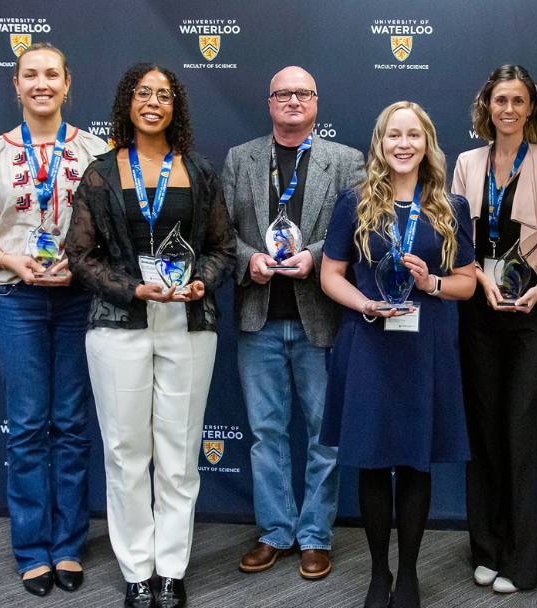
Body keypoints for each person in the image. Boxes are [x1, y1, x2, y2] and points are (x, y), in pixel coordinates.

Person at [0, 42, 108, 596]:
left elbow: (121, 236)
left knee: (73, 422)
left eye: (51, 74)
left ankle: (68, 544)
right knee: (30, 425)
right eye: (30, 74)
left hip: (79, 301)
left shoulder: (94, 152)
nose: (41, 83)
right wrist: (10, 258)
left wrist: (83, 267)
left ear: (67, 84)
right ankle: (33, 548)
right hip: (17, 301)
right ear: (16, 85)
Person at [65, 63, 235, 608]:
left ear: (175, 106)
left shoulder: (200, 172)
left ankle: (170, 569)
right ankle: (137, 570)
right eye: (144, 93)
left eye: (164, 94)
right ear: (128, 103)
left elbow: (222, 249)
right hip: (120, 325)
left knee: (180, 456)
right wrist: (133, 289)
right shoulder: (99, 172)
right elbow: (79, 255)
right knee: (125, 452)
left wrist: (200, 283)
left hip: (189, 324)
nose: (154, 102)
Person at [319, 101, 477, 608]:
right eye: (394, 135)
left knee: (414, 465)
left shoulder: (452, 207)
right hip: (369, 344)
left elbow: (468, 284)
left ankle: (408, 573)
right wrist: (365, 302)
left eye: (413, 135)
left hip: (425, 347)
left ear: (427, 142)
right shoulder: (355, 202)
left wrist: (432, 282)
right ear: (380, 144)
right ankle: (378, 574)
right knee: (370, 463)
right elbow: (329, 275)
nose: (403, 144)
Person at [222, 66, 366, 580]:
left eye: (302, 92)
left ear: (316, 102)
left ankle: (315, 536)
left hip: (320, 319)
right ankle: (275, 532)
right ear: (269, 102)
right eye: (282, 92)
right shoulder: (241, 159)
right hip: (258, 318)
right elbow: (223, 234)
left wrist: (317, 255)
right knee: (265, 433)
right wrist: (247, 261)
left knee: (324, 435)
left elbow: (358, 234)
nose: (292, 100)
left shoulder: (347, 161)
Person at [451, 64, 537, 594]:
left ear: (531, 108)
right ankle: (486, 546)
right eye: (500, 100)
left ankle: (522, 562)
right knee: (483, 430)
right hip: (479, 310)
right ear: (487, 105)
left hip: (533, 314)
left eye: (518, 101)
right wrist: (480, 279)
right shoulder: (465, 162)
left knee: (520, 431)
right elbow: (457, 241)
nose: (508, 109)